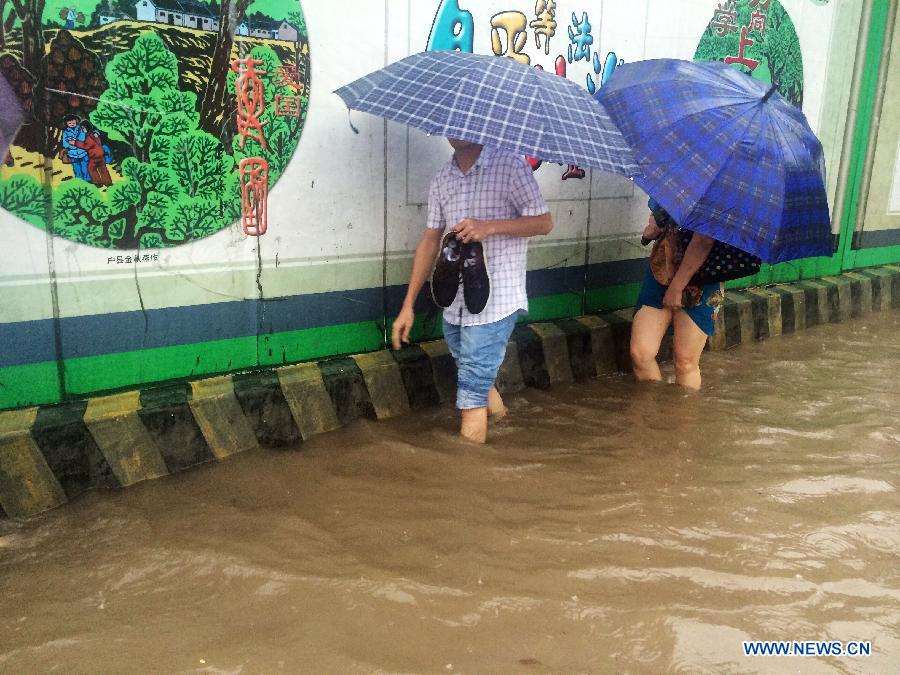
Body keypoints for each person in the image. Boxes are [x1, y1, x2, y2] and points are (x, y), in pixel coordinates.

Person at [392, 138, 553, 443]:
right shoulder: (442, 178)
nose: (456, 129)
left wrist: (489, 227)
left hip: (496, 300)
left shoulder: (510, 166)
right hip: (455, 301)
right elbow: (430, 241)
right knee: (475, 379)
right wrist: (408, 305)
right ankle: (504, 427)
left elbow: (544, 222)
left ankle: (467, 477)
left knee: (471, 396)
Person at [630, 198, 724, 390]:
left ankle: (682, 418)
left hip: (702, 280)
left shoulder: (721, 193)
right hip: (662, 271)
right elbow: (657, 215)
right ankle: (653, 415)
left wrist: (677, 287)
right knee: (641, 353)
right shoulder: (677, 179)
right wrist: (654, 224)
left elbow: (704, 241)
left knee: (685, 362)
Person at [72, 121, 112, 187]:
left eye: (83, 128)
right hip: (100, 155)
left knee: (91, 168)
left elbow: (86, 146)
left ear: (87, 128)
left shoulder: (89, 137)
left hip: (95, 156)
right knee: (102, 168)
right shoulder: (94, 135)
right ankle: (108, 182)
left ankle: (98, 182)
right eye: (82, 128)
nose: (82, 130)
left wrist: (75, 143)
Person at [61, 115, 90, 183]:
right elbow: (65, 144)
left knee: (85, 168)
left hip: (83, 153)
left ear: (76, 121)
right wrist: (74, 145)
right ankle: (79, 181)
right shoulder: (65, 132)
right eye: (70, 123)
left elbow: (82, 139)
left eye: (73, 123)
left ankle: (88, 180)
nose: (72, 124)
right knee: (77, 169)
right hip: (73, 154)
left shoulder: (80, 129)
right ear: (67, 123)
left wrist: (73, 142)